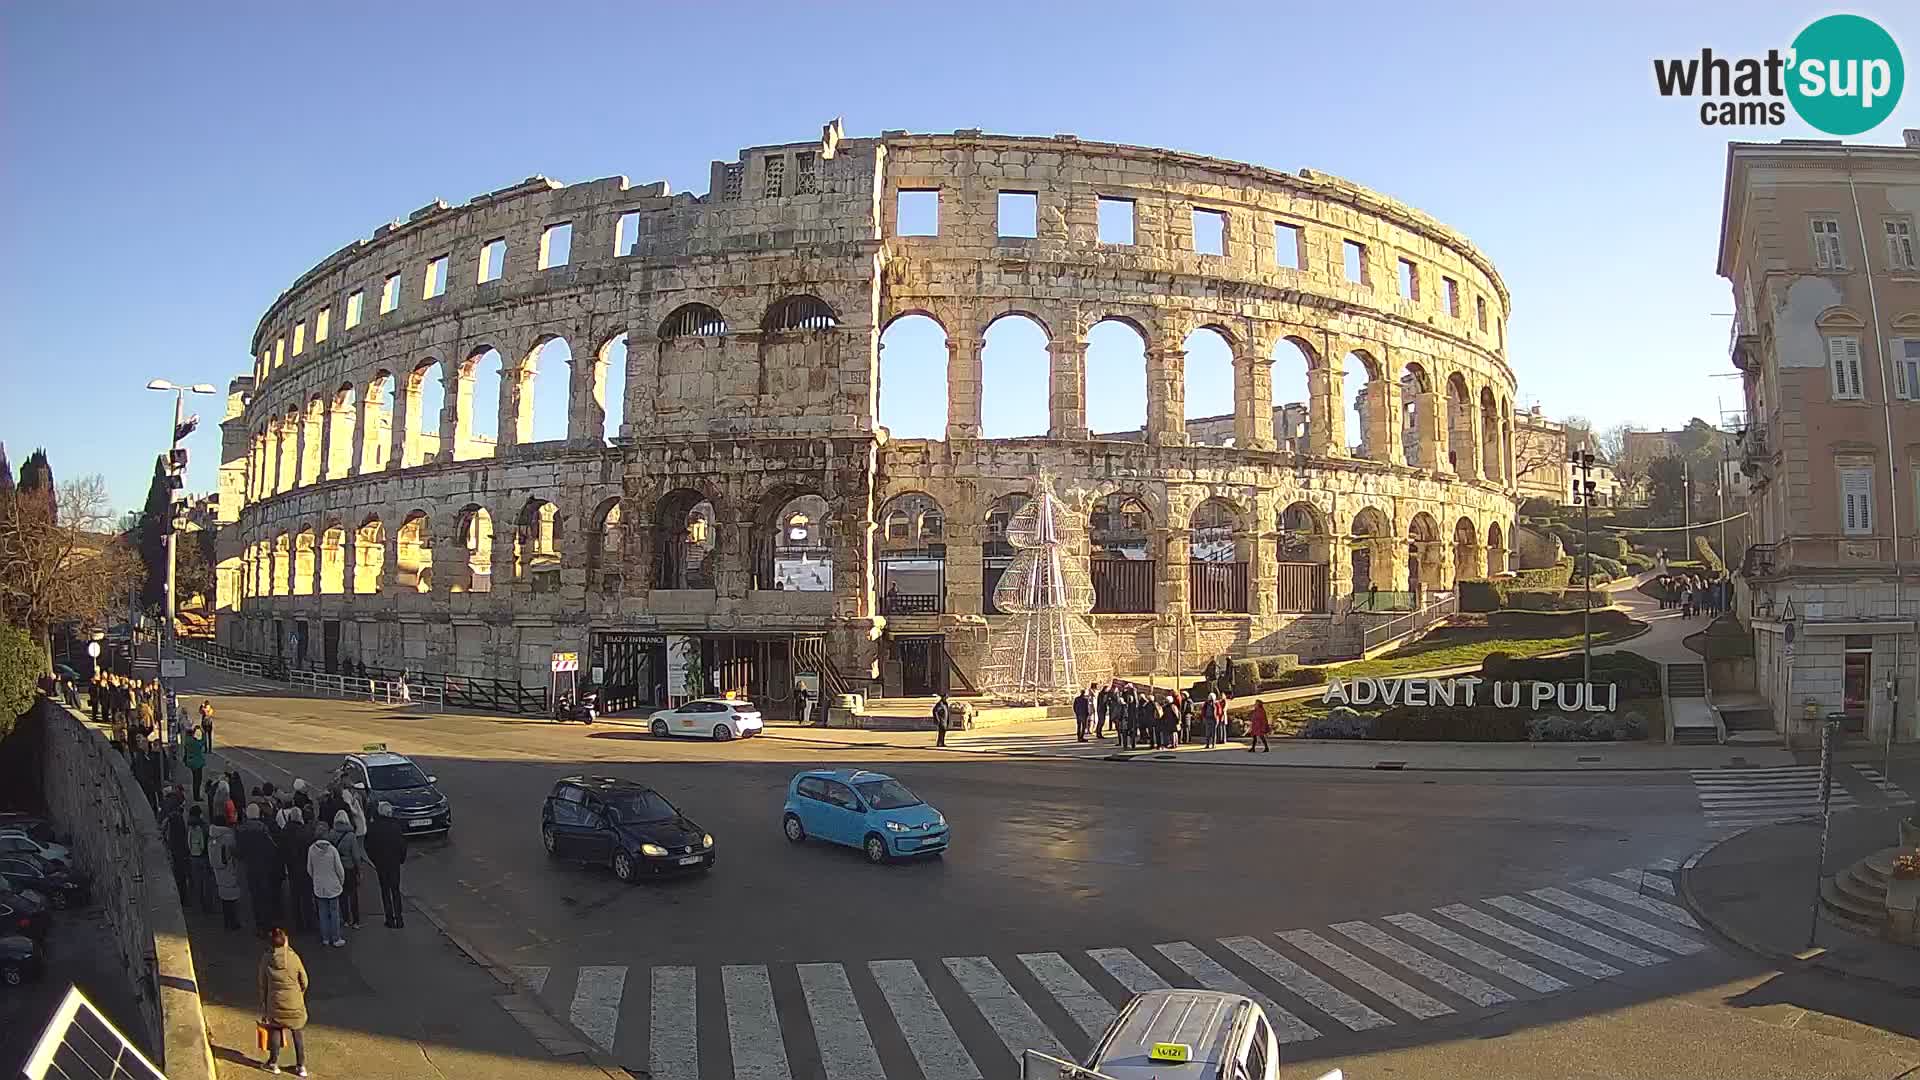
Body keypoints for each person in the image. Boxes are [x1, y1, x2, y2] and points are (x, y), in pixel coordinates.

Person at [258, 927, 310, 1076]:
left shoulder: (266, 959)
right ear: (285, 941)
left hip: (275, 1003)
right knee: (297, 1033)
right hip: (295, 1003)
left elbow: (263, 984)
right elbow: (304, 981)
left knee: (275, 1030)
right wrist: (299, 994)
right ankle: (301, 1066)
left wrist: (264, 1004)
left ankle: (273, 1063)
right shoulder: (294, 958)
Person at [365, 801, 408, 928]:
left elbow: (368, 846)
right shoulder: (395, 826)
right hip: (394, 864)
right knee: (395, 891)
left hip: (381, 864)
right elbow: (402, 845)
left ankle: (389, 918)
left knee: (385, 891)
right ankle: (399, 919)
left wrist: (374, 860)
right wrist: (401, 859)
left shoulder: (374, 827)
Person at [278, 807, 314, 934]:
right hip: (304, 868)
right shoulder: (305, 832)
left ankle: (298, 924)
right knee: (307, 898)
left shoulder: (284, 832)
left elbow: (281, 851)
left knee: (295, 897)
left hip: (291, 868)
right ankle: (310, 924)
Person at [326, 809, 364, 930]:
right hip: (349, 867)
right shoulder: (351, 836)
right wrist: (359, 870)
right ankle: (356, 921)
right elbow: (356, 856)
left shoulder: (331, 834)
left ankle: (346, 919)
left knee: (342, 895)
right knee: (353, 894)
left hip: (336, 867)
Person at [307, 830, 345, 948]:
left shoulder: (311, 850)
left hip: (319, 886)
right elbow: (339, 869)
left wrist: (316, 878)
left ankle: (325, 939)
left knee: (322, 913)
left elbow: (309, 868)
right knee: (334, 913)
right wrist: (340, 882)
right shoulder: (332, 850)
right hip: (333, 885)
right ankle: (336, 938)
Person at [186, 804, 217, 914]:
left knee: (197, 882)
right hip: (204, 857)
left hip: (193, 858)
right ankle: (209, 907)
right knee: (207, 883)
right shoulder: (204, 826)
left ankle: (200, 905)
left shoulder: (189, 825)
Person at [163, 786, 191, 900]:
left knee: (179, 873)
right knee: (181, 874)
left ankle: (182, 896)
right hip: (179, 850)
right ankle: (183, 897)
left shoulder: (170, 817)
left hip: (174, 848)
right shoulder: (177, 819)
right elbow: (182, 836)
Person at [182, 723, 209, 800]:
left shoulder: (187, 740)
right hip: (197, 763)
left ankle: (195, 795)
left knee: (195, 779)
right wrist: (202, 731)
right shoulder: (195, 742)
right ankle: (196, 796)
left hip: (190, 762)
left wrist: (194, 730)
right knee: (198, 780)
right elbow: (203, 741)